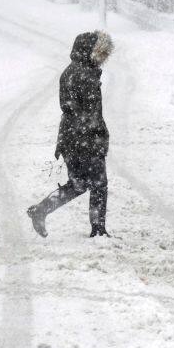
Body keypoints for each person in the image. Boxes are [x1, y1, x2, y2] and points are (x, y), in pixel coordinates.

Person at [27, 31, 114, 239]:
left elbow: (72, 109)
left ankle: (41, 210)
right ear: (89, 51)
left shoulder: (72, 71)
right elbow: (89, 114)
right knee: (98, 184)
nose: (102, 59)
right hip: (85, 139)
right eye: (99, 54)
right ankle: (98, 230)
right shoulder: (85, 75)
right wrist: (99, 135)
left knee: (78, 184)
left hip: (70, 137)